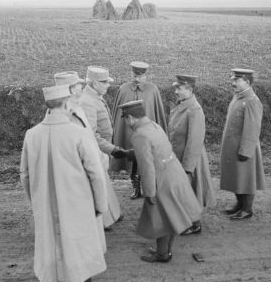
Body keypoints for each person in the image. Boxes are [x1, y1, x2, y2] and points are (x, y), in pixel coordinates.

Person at [20, 84, 108, 282]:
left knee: (56, 254)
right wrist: (100, 205)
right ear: (67, 104)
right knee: (81, 253)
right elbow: (95, 173)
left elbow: (25, 175)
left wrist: (37, 203)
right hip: (78, 205)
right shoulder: (78, 133)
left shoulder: (31, 135)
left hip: (46, 207)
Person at [120, 100, 202, 263]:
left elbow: (147, 167)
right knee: (171, 215)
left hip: (161, 180)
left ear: (130, 118)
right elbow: (155, 150)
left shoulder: (139, 135)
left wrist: (149, 192)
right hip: (174, 174)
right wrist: (129, 153)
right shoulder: (153, 126)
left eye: (125, 119)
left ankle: (162, 254)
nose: (126, 123)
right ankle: (166, 251)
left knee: (162, 218)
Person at [111, 61, 167, 199]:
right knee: (132, 159)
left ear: (146, 75)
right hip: (128, 132)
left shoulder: (152, 89)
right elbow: (117, 114)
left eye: (140, 76)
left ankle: (148, 185)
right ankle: (136, 187)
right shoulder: (123, 89)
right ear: (131, 73)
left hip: (147, 133)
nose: (137, 79)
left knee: (147, 159)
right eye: (135, 75)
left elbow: (157, 112)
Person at [79, 66, 126, 230]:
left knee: (103, 183)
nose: (107, 85)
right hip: (96, 150)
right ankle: (102, 220)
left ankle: (110, 215)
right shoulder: (87, 101)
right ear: (93, 83)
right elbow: (91, 135)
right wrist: (111, 149)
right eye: (104, 82)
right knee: (97, 185)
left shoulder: (94, 96)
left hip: (101, 150)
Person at [169, 74, 215, 235]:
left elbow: (194, 140)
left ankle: (194, 225)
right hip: (178, 156)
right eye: (175, 87)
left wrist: (188, 167)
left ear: (190, 89)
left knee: (189, 191)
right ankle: (186, 221)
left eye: (179, 88)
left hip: (190, 158)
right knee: (184, 191)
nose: (175, 91)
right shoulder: (181, 105)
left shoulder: (194, 110)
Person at [220, 68, 266, 220]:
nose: (232, 83)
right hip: (233, 147)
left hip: (244, 148)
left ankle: (246, 209)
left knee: (245, 178)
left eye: (236, 80)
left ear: (247, 81)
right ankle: (239, 205)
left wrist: (246, 150)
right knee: (237, 177)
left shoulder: (252, 101)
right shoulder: (238, 97)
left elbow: (252, 129)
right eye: (232, 79)